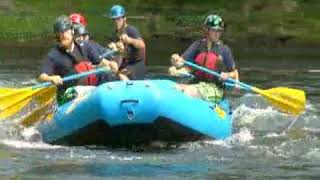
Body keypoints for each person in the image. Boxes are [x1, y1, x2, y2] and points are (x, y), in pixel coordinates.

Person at [39, 15, 119, 105]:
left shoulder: (85, 46)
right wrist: (51, 78)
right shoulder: (53, 55)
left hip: (90, 90)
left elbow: (102, 62)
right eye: (59, 35)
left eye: (64, 32)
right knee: (75, 75)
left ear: (72, 31)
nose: (61, 36)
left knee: (107, 75)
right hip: (70, 93)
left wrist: (111, 64)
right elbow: (42, 76)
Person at [169, 14, 239, 103]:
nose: (217, 34)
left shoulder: (224, 49)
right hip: (196, 83)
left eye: (219, 31)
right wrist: (175, 61)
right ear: (207, 30)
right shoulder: (197, 45)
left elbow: (234, 72)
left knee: (188, 91)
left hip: (215, 88)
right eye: (214, 30)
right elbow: (180, 63)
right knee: (175, 88)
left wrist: (228, 75)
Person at [106, 4, 146, 80]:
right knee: (109, 74)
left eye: (118, 19)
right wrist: (113, 51)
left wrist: (130, 40)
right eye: (114, 19)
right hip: (126, 64)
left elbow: (142, 45)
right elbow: (119, 56)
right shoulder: (115, 34)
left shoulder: (131, 30)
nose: (116, 21)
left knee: (122, 76)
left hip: (136, 65)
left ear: (124, 18)